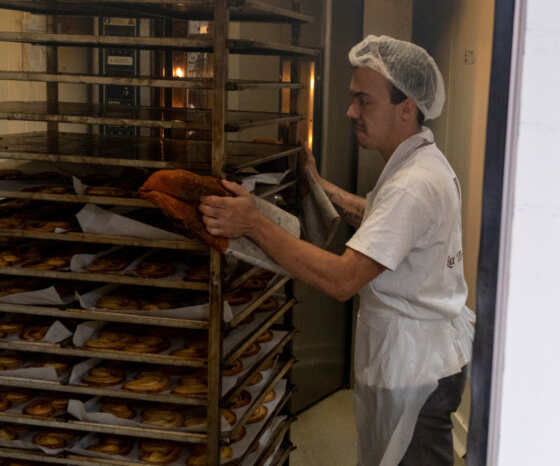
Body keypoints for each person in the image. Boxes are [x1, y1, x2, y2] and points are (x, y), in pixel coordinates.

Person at [199, 35, 474, 466]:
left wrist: (252, 222)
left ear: (406, 108)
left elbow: (342, 278)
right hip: (418, 355)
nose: (350, 112)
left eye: (363, 101)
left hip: (414, 367)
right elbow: (383, 222)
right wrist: (320, 184)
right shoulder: (419, 161)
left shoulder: (412, 185)